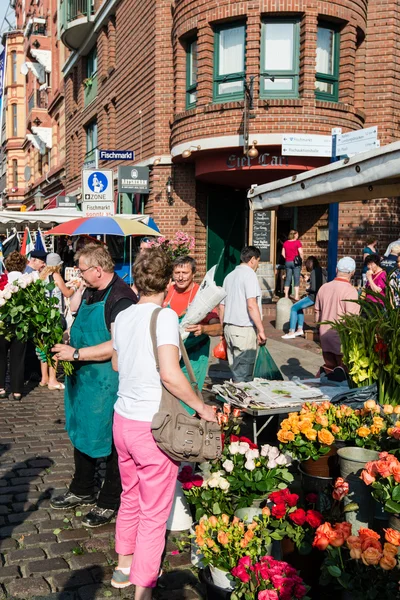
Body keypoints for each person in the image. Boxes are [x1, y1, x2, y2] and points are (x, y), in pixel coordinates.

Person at [111, 248, 217, 597]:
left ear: (137, 280)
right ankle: (143, 588)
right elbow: (171, 375)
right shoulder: (165, 317)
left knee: (129, 496)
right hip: (150, 425)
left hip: (123, 419)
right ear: (169, 279)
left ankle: (122, 566)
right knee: (155, 511)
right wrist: (201, 407)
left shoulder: (124, 316)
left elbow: (115, 364)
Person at [49, 244, 138, 528]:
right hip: (83, 380)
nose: (80, 274)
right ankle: (82, 488)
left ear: (98, 270)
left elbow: (117, 345)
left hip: (106, 382)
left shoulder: (122, 298)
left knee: (110, 441)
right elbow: (76, 315)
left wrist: (76, 354)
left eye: (83, 270)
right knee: (81, 431)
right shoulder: (89, 289)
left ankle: (109, 500)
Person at [163, 256, 222, 392]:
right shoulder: (167, 291)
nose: (180, 277)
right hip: (168, 353)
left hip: (193, 356)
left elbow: (219, 329)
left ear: (193, 274)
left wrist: (203, 328)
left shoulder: (201, 295)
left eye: (185, 273)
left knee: (188, 394)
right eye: (177, 273)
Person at [220, 246, 266, 382]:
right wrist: (261, 329)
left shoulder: (229, 276)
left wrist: (223, 329)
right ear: (252, 260)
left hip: (229, 328)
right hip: (243, 328)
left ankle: (231, 401)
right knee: (243, 377)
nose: (258, 264)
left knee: (235, 371)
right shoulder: (250, 275)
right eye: (258, 261)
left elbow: (222, 306)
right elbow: (251, 304)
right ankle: (237, 403)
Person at [38, 253, 80, 390]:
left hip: (44, 315)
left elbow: (54, 289)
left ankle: (44, 378)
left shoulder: (42, 276)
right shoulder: (56, 275)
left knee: (44, 347)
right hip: (55, 315)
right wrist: (75, 287)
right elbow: (67, 293)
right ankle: (52, 380)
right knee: (55, 347)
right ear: (58, 265)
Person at [315, 257, 360, 373]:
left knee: (329, 369)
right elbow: (352, 319)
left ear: (336, 270)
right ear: (352, 272)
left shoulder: (323, 288)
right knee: (343, 373)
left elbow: (317, 314)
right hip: (341, 339)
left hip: (325, 336)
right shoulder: (350, 291)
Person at [0, 252, 28, 400]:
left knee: (1, 357)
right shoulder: (28, 281)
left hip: (2, 323)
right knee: (18, 358)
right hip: (21, 324)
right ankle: (17, 391)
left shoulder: (2, 280)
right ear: (23, 266)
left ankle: (1, 388)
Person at [282, 256, 324, 340]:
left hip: (312, 297)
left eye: (307, 264)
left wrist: (307, 289)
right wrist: (309, 280)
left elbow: (314, 288)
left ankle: (291, 332)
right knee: (299, 307)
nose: (306, 266)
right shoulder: (321, 271)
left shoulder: (314, 272)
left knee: (294, 308)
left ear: (310, 263)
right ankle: (300, 329)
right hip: (318, 296)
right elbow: (318, 283)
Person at [282, 230, 303, 301]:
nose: (297, 236)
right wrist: (301, 260)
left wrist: (287, 258)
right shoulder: (297, 242)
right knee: (296, 279)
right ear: (294, 235)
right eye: (297, 235)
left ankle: (286, 296)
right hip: (295, 262)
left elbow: (283, 253)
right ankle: (296, 296)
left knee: (288, 278)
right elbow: (301, 253)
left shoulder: (285, 243)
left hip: (288, 262)